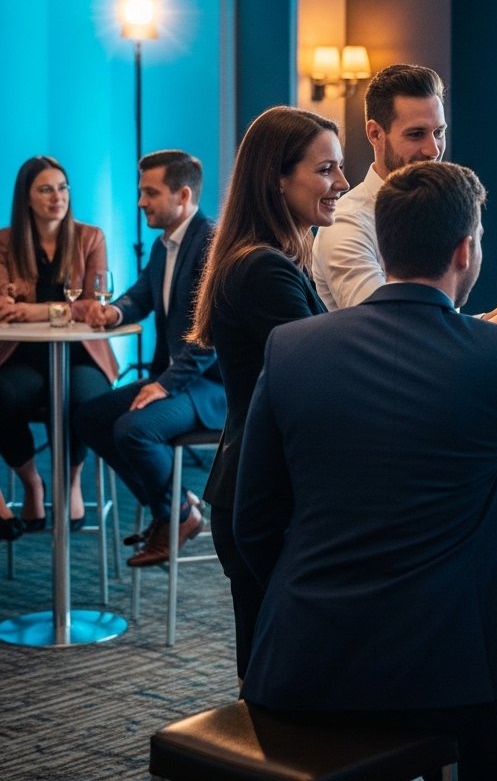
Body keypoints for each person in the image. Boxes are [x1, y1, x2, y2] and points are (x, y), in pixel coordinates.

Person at [234, 160, 497, 781]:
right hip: (454, 664)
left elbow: (251, 520)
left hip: (311, 656)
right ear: (465, 248)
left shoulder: (293, 347)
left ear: (385, 244)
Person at [187, 106, 347, 681]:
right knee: (276, 677)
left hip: (255, 488)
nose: (341, 185)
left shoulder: (273, 260)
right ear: (277, 178)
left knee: (273, 667)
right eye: (326, 169)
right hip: (264, 498)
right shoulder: (263, 271)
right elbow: (328, 376)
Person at [311, 62, 497, 334]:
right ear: (375, 133)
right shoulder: (347, 224)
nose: (433, 150)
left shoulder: (435, 210)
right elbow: (389, 329)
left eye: (439, 132)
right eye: (416, 134)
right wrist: (487, 330)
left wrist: (491, 323)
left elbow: (430, 320)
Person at [75, 150, 226, 568]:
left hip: (209, 387)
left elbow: (208, 334)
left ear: (182, 195)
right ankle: (177, 508)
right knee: (87, 418)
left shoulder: (210, 244)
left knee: (133, 431)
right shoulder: (166, 244)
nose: (140, 202)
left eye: (149, 193)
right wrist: (115, 311)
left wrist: (163, 384)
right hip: (178, 378)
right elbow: (141, 293)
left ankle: (176, 513)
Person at [0, 155, 117, 530]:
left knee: (80, 400)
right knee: (1, 395)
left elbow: (95, 303)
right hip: (21, 356)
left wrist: (34, 310)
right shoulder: (4, 243)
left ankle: (70, 484)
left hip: (83, 354)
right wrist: (63, 308)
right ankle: (32, 482)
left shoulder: (90, 237)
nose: (58, 197)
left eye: (63, 188)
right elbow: (2, 306)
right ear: (27, 197)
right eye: (46, 189)